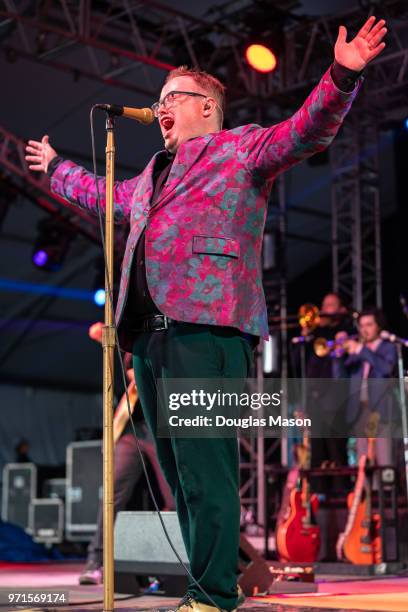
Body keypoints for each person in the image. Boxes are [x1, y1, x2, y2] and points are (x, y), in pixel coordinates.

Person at [25, 17, 386, 612]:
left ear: (207, 109)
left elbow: (306, 132)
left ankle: (213, 594)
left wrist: (342, 74)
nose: (160, 108)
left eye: (173, 99)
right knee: (180, 477)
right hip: (150, 338)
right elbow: (103, 197)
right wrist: (58, 168)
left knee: (205, 468)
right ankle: (205, 587)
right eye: (159, 99)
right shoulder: (147, 177)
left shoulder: (238, 148)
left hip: (209, 329)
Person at [80, 322, 174, 586]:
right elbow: (98, 332)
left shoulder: (169, 332)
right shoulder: (131, 334)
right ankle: (96, 562)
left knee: (174, 499)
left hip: (163, 426)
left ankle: (173, 563)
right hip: (132, 429)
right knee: (112, 494)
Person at [293, 292, 353, 474]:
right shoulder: (315, 334)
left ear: (341, 310)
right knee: (315, 451)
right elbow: (298, 364)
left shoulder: (347, 331)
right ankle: (317, 496)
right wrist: (305, 335)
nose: (324, 310)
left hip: (337, 401)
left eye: (330, 305)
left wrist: (342, 344)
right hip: (314, 400)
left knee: (336, 451)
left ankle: (341, 494)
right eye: (323, 305)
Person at [334, 308, 398, 467]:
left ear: (378, 326)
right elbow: (339, 378)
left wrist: (362, 350)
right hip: (359, 410)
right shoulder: (356, 351)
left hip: (381, 410)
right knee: (363, 462)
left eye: (369, 324)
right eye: (361, 325)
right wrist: (338, 356)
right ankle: (367, 492)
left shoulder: (387, 347)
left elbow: (386, 369)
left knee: (384, 462)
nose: (364, 329)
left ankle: (384, 491)